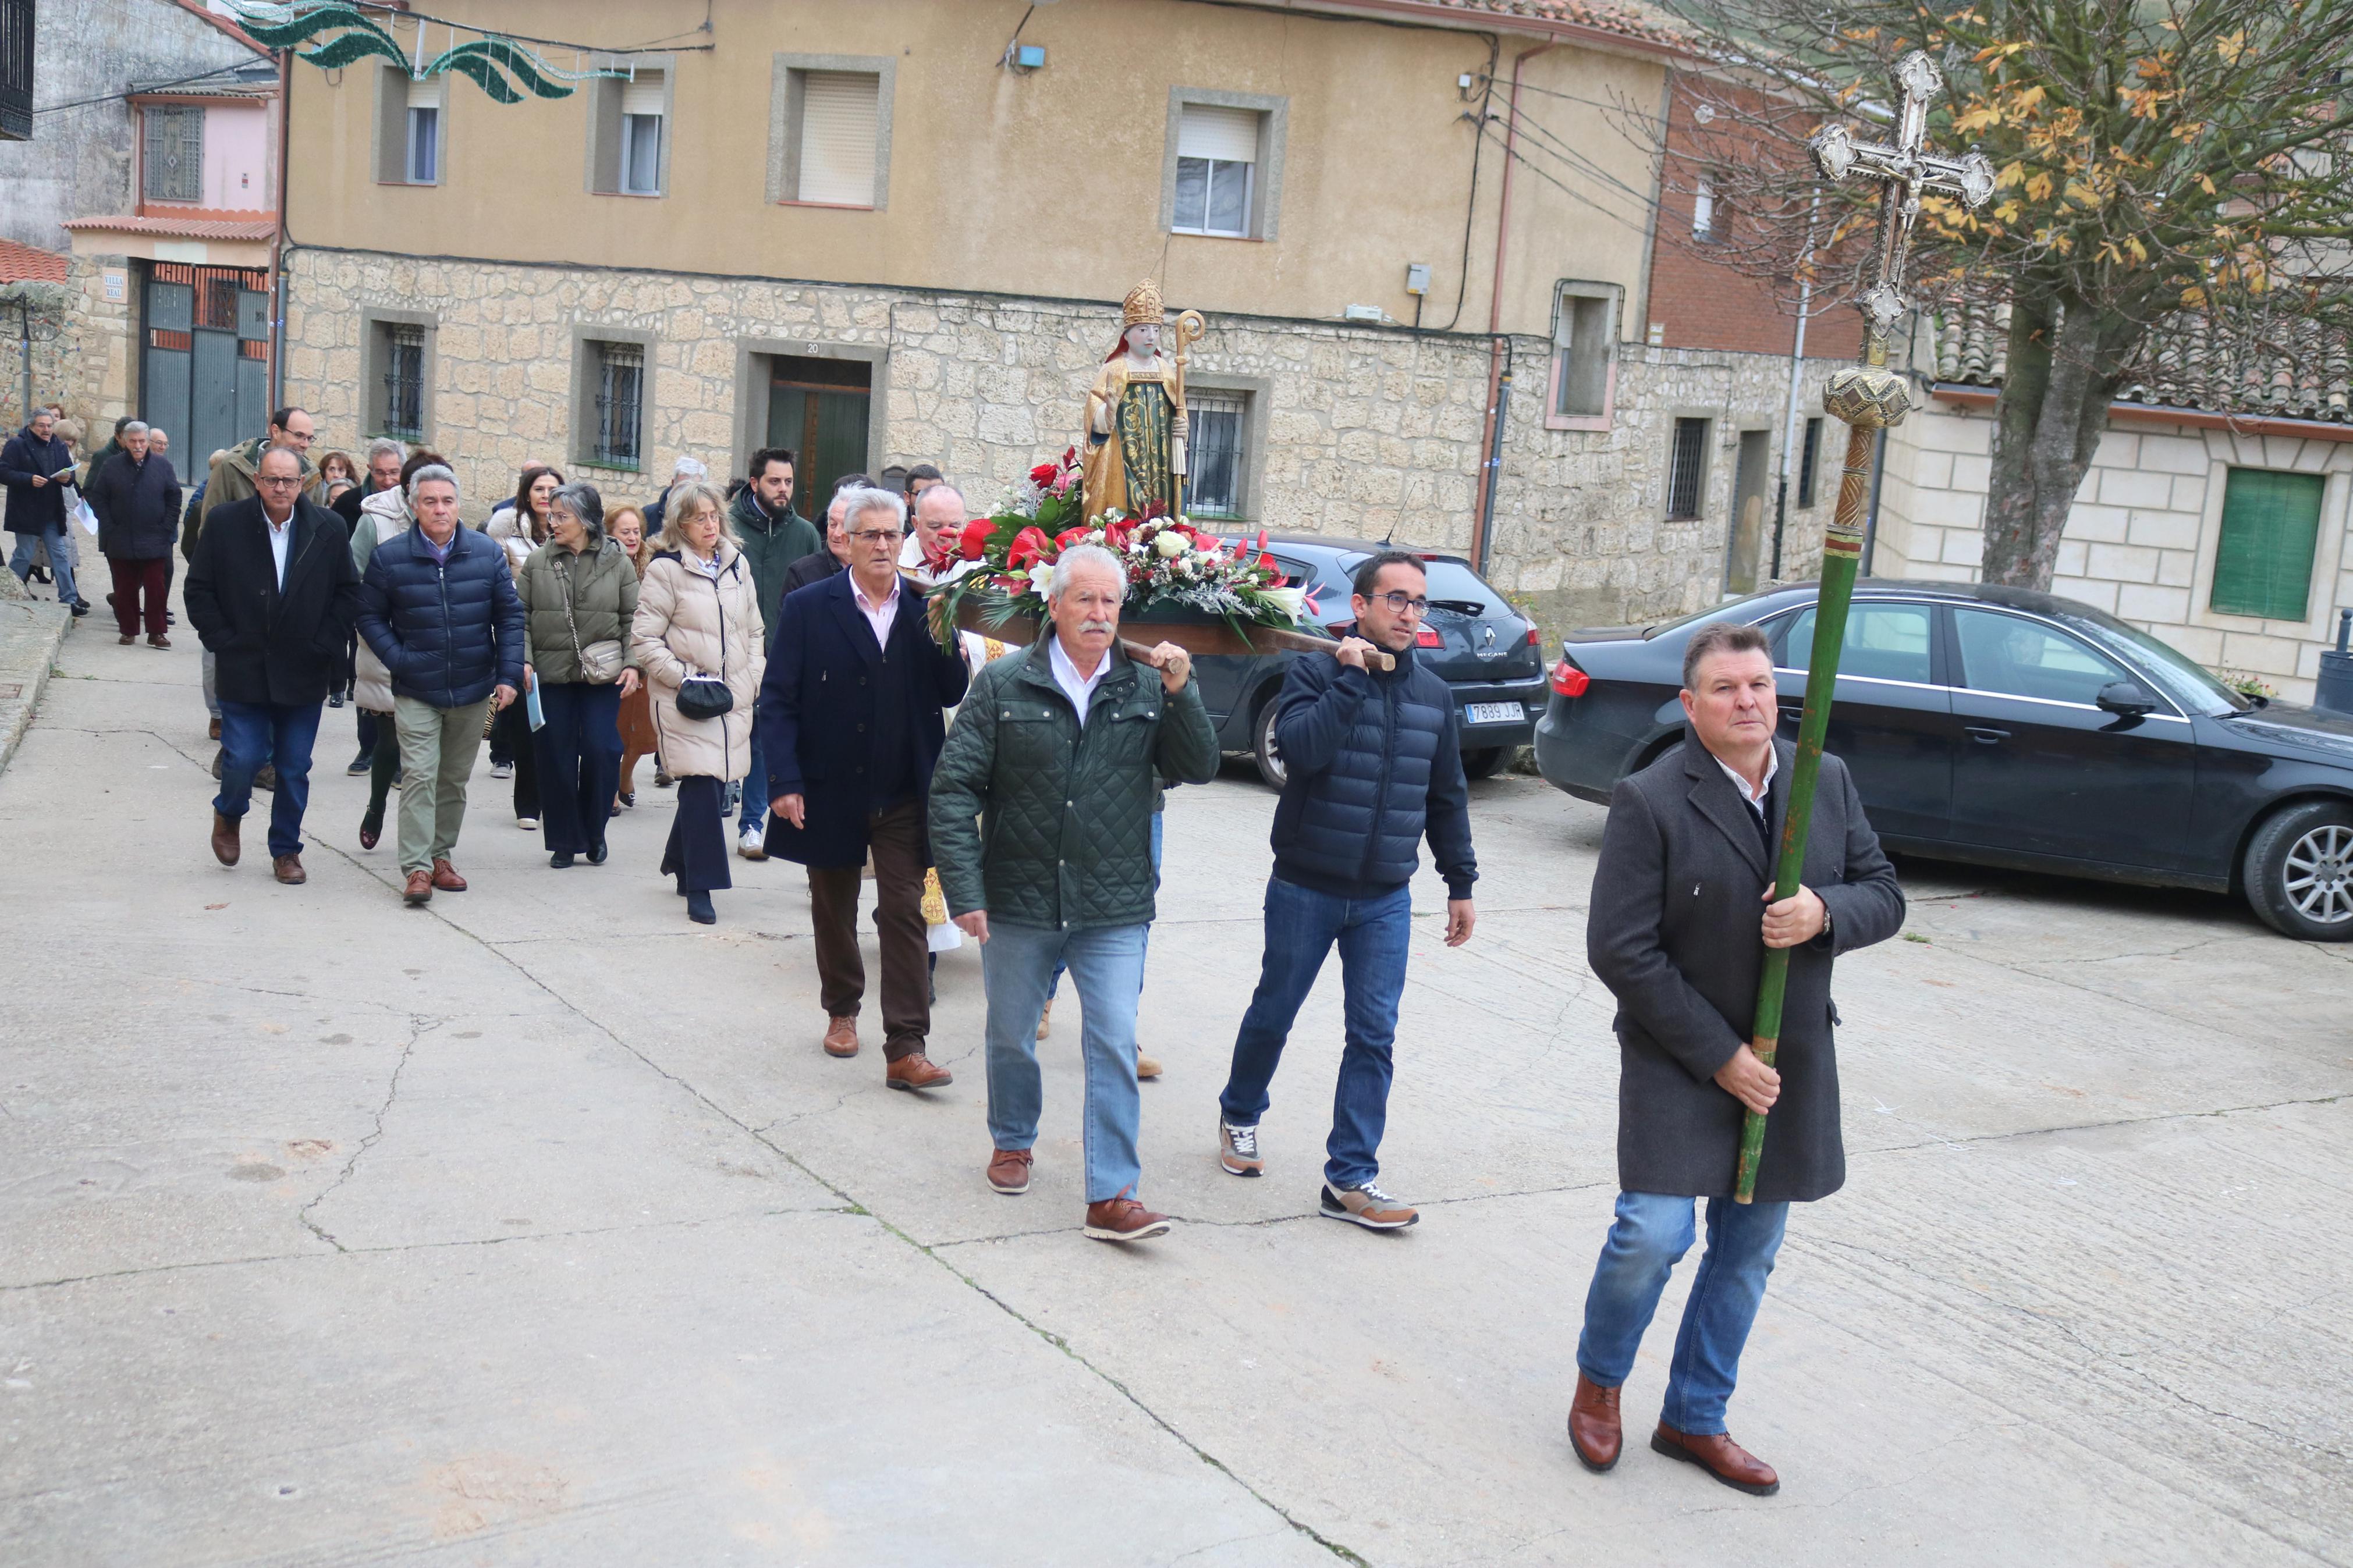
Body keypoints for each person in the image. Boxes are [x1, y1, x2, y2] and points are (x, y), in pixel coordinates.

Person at [1568, 620, 1905, 1495]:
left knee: (1747, 1245)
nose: (1746, 700)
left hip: (1786, 1055)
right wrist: (1718, 1055)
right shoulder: (1649, 798)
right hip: (1680, 1053)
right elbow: (1620, 949)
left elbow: (1884, 893)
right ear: (1689, 704)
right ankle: (1599, 1381)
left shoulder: (1820, 780)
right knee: (1652, 1231)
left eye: (1756, 683)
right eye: (1724, 688)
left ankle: (1694, 1414)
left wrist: (1822, 911)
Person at [928, 545, 1219, 1243]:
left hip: (1112, 904)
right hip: (1020, 896)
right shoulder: (1000, 685)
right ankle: (1012, 1137)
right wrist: (965, 889)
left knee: (1114, 1039)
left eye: (1109, 602)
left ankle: (1112, 1193)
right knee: (1008, 1032)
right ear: (1053, 606)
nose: (1097, 613)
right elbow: (952, 789)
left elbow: (1198, 766)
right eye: (1083, 599)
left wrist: (1185, 694)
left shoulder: (1147, 686)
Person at [1213, 549, 1479, 1229]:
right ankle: (1240, 1112)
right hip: (1307, 883)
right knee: (1275, 1009)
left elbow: (1445, 796)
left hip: (1386, 896)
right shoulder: (1312, 670)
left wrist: (1459, 881)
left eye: (1418, 603)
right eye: (1396, 600)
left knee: (1372, 1034)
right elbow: (1298, 752)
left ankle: (1350, 1178)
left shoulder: (1433, 697)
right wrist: (1349, 683)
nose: (1409, 614)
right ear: (1358, 606)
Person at [761, 485, 968, 1085]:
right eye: (869, 535)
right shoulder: (809, 606)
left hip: (903, 789)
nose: (881, 545)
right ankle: (842, 1010)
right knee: (833, 906)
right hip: (827, 787)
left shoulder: (926, 606)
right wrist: (784, 780)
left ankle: (906, 1045)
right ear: (846, 542)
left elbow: (951, 689)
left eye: (891, 534)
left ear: (904, 541)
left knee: (905, 909)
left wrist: (942, 631)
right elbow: (778, 700)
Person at [183, 446, 361, 885]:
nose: (280, 488)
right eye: (271, 479)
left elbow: (347, 593)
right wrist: (222, 640)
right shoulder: (228, 523)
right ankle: (228, 813)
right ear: (257, 481)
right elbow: (198, 589)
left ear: (303, 483)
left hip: (303, 668)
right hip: (243, 667)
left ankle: (286, 850)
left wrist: (325, 643)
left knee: (293, 766)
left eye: (289, 480)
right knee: (242, 759)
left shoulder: (328, 527)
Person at [356, 464, 524, 906]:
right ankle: (416, 867)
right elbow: (368, 614)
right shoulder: (390, 557)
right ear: (414, 506)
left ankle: (441, 856)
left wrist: (507, 675)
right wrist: (398, 658)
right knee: (419, 776)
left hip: (472, 686)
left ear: (458, 505)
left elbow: (509, 616)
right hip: (417, 688)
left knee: (452, 779)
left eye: (447, 501)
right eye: (429, 501)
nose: (439, 509)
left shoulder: (486, 553)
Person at [631, 479, 765, 925]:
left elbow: (754, 630)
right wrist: (685, 679)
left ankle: (679, 859)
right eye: (697, 517)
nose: (709, 524)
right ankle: (702, 886)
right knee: (703, 782)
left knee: (706, 781)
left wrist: (752, 677)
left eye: (713, 515)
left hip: (733, 696)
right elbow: (645, 641)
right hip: (685, 698)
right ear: (680, 524)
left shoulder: (736, 564)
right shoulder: (665, 570)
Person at [519, 482, 641, 867]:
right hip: (551, 675)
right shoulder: (538, 561)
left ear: (586, 520)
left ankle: (594, 832)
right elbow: (518, 615)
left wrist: (634, 663)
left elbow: (633, 618)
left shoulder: (616, 561)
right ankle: (563, 841)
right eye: (551, 515)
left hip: (602, 676)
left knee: (603, 750)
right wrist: (521, 659)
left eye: (561, 516)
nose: (552, 521)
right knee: (555, 756)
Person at [194, 408, 321, 733]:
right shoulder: (232, 468)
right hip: (237, 596)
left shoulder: (312, 476)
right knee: (220, 664)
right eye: (298, 436)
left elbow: (318, 539)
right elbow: (208, 530)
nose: (305, 444)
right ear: (275, 431)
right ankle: (224, 724)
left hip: (287, 600)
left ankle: (262, 753)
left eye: (310, 438)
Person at [727, 446, 823, 860]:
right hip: (733, 652)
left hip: (783, 654)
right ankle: (719, 800)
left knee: (765, 738)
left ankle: (752, 825)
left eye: (787, 482)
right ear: (755, 483)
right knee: (731, 736)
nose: (783, 489)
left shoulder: (804, 533)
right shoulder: (728, 526)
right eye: (774, 481)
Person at [347, 449, 443, 845]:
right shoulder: (376, 523)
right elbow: (353, 579)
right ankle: (377, 805)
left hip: (438, 650)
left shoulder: (450, 526)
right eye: (430, 495)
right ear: (410, 492)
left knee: (431, 751)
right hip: (389, 645)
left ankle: (424, 835)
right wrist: (380, 633)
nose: (439, 503)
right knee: (390, 738)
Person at [486, 464, 560, 823]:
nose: (546, 496)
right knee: (526, 725)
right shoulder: (506, 529)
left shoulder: (575, 532)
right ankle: (528, 803)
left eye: (552, 489)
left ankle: (556, 799)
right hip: (520, 635)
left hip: (563, 640)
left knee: (558, 727)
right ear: (527, 494)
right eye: (539, 489)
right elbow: (496, 586)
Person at [87, 421, 182, 648]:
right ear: (125, 442)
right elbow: (98, 497)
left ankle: (157, 632)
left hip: (155, 538)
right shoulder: (112, 466)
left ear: (148, 442)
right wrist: (109, 525)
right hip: (121, 537)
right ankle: (128, 630)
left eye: (142, 441)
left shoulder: (163, 466)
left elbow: (174, 497)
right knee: (125, 587)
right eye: (133, 441)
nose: (138, 446)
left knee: (156, 588)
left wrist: (166, 526)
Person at [2, 408, 88, 615]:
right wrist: (28, 479)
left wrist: (67, 478)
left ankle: (69, 599)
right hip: (26, 510)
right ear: (31, 426)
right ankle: (9, 593)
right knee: (24, 553)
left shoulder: (57, 445)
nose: (46, 430)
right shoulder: (17, 445)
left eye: (49, 426)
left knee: (60, 554)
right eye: (42, 426)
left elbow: (70, 471)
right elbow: (3, 472)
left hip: (51, 510)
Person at [608, 504, 662, 811]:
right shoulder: (604, 564)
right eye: (624, 532)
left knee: (644, 730)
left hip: (646, 656)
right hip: (612, 656)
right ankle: (611, 788)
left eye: (636, 532)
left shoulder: (651, 565)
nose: (632, 537)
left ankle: (625, 773)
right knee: (615, 726)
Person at [776, 474, 873, 598]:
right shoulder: (802, 574)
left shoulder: (881, 570)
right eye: (832, 524)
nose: (837, 534)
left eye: (845, 526)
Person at [334, 438, 404, 527]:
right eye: (380, 473)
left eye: (394, 472)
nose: (388, 481)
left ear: (404, 469)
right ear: (370, 469)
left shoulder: (416, 505)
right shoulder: (346, 504)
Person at [642, 454, 709, 539]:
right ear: (673, 483)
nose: (688, 494)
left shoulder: (709, 522)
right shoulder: (648, 515)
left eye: (695, 488)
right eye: (683, 487)